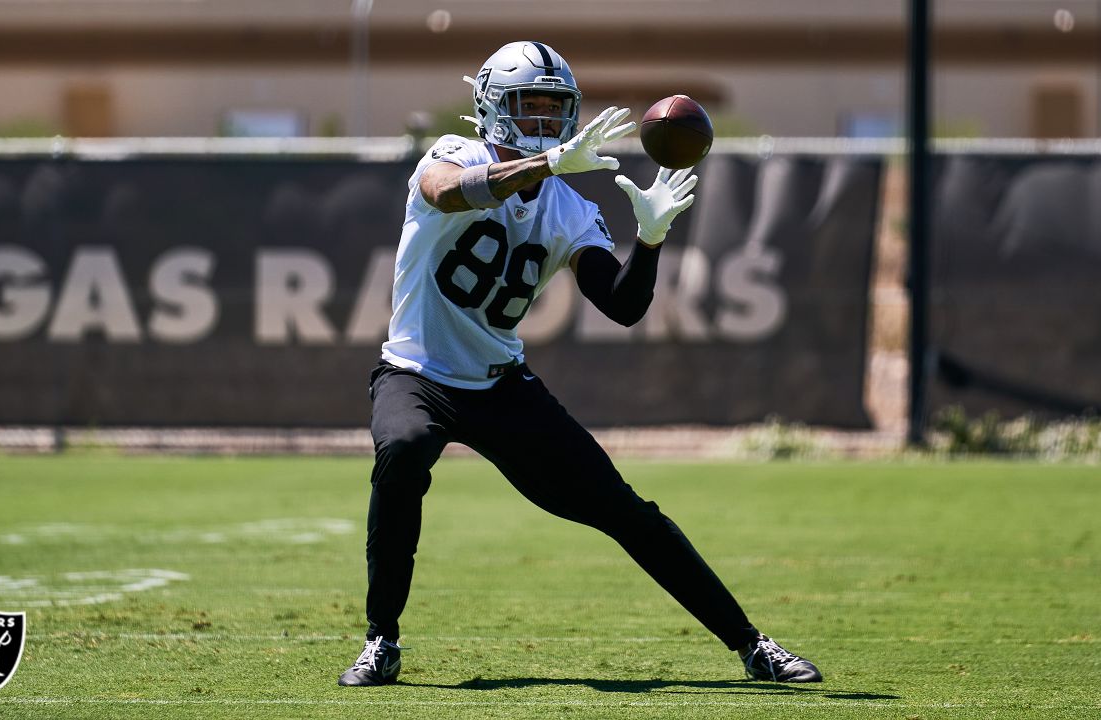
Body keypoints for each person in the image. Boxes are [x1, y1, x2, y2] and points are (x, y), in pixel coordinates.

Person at [338, 40, 822, 687]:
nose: (541, 122)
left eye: (551, 109)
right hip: (417, 374)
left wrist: (649, 242)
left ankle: (752, 646)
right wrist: (544, 162)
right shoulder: (453, 155)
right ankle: (382, 641)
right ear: (490, 109)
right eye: (526, 107)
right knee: (405, 446)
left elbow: (621, 305)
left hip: (500, 384)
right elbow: (450, 194)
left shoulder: (568, 206)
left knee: (624, 511)